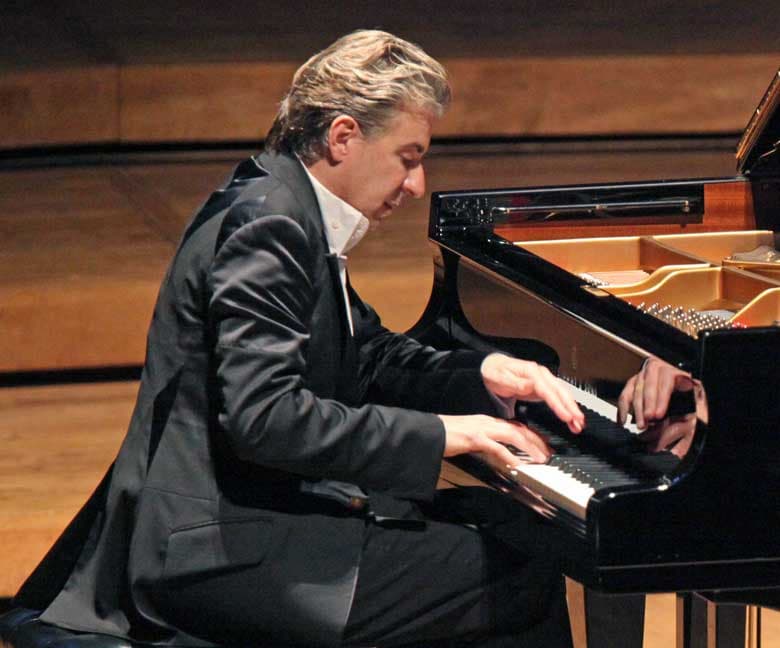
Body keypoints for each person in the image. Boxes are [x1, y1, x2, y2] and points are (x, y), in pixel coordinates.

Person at [14, 30, 585, 647]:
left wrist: (483, 374)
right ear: (343, 137)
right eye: (409, 156)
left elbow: (366, 354)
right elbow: (266, 419)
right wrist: (451, 433)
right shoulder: (273, 225)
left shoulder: (288, 207)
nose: (417, 184)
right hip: (216, 551)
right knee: (517, 572)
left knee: (513, 529)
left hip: (244, 522)